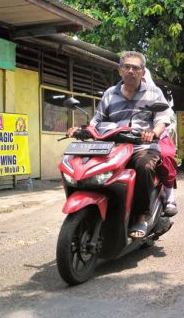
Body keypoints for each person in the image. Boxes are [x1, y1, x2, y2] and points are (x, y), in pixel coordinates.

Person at [67, 51, 178, 238]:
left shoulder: (154, 93)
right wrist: (82, 129)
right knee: (85, 167)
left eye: (136, 68)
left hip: (142, 147)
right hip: (111, 147)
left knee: (144, 167)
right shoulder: (110, 94)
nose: (131, 71)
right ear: (120, 71)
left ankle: (141, 216)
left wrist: (153, 133)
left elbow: (161, 120)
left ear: (143, 72)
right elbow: (97, 119)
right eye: (127, 67)